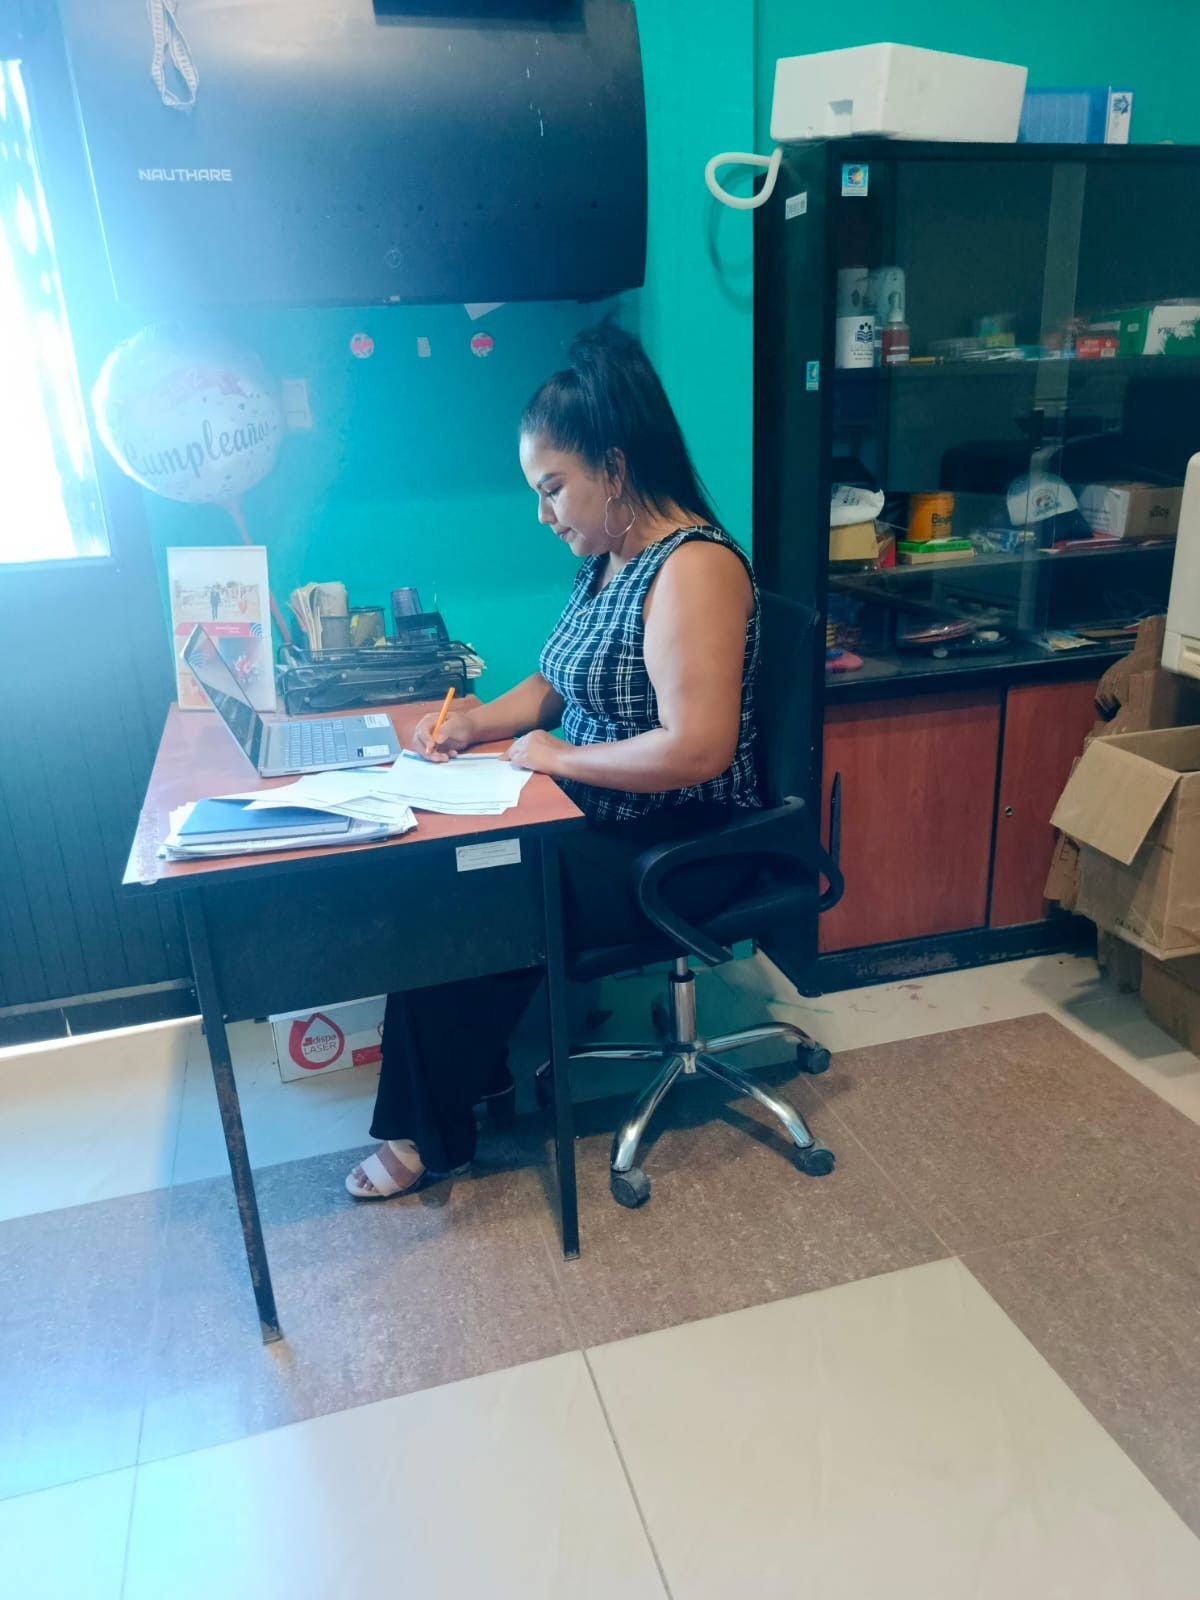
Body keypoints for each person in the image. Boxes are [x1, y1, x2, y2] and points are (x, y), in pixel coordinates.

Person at [347, 323, 761, 1199]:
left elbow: (698, 749)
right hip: (597, 811)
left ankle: (431, 1132)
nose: (544, 514)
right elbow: (554, 679)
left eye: (553, 488)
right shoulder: (610, 557)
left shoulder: (694, 569)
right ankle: (465, 1079)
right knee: (439, 868)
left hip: (678, 838)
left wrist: (561, 758)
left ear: (614, 468)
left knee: (467, 891)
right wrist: (474, 726)